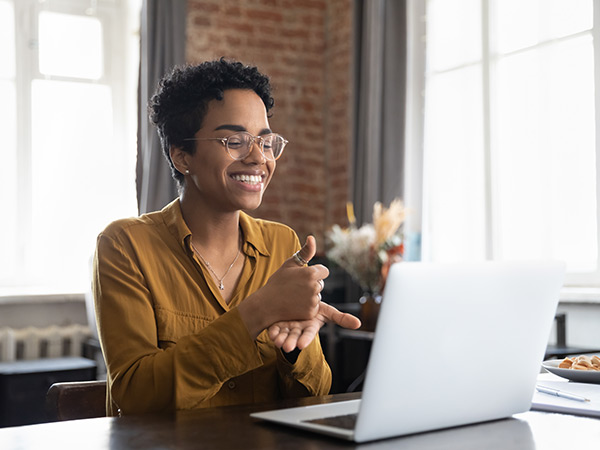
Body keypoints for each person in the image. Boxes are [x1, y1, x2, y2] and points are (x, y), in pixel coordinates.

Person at [92, 58, 361, 416]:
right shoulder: (125, 245)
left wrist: (296, 350)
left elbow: (315, 395)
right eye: (235, 140)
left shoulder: (283, 245)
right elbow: (136, 396)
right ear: (182, 155)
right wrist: (256, 313)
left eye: (266, 142)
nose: (257, 158)